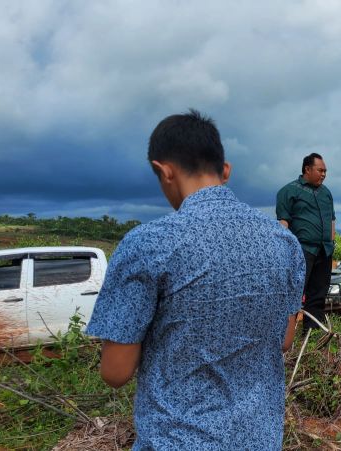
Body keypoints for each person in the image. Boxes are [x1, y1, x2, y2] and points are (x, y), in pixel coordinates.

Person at [86, 110, 305, 450]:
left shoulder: (148, 244)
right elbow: (285, 340)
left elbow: (115, 372)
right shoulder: (284, 243)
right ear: (226, 170)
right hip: (259, 440)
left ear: (164, 171)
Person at [276, 153, 335, 330]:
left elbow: (332, 219)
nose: (324, 174)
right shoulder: (289, 191)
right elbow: (283, 223)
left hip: (325, 250)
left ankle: (312, 333)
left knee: (318, 294)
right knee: (295, 293)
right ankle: (286, 336)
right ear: (307, 169)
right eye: (320, 170)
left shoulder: (326, 193)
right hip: (302, 251)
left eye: (325, 171)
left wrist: (332, 242)